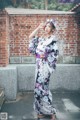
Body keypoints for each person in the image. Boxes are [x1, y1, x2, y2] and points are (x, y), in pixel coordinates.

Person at [28, 19, 59, 120]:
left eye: (49, 26)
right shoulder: (41, 39)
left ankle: (51, 112)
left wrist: (45, 58)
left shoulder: (52, 41)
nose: (46, 28)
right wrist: (38, 27)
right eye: (46, 26)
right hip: (38, 67)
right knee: (37, 89)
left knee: (44, 89)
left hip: (45, 68)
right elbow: (30, 37)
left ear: (53, 29)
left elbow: (54, 55)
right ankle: (41, 110)